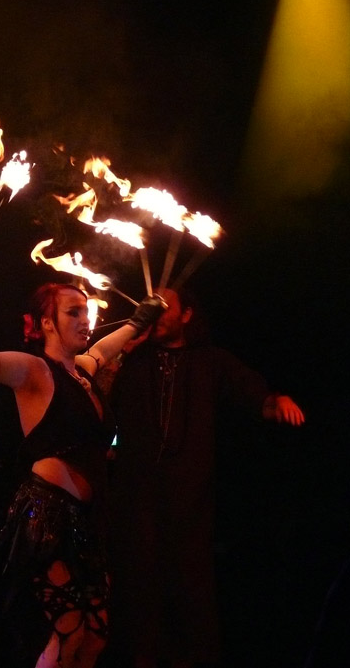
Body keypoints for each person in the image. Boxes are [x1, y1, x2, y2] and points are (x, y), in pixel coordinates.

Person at [0, 261, 167, 668]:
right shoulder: (32, 369)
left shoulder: (82, 371)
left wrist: (140, 319)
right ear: (47, 324)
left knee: (96, 635)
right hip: (45, 519)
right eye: (73, 312)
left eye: (86, 312)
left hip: (85, 522)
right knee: (72, 631)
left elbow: (106, 347)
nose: (85, 320)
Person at [106, 286, 305, 668]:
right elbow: (97, 397)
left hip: (189, 502)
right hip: (138, 498)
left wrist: (274, 401)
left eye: (165, 307)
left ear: (186, 315)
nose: (157, 313)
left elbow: (251, 393)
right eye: (153, 307)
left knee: (189, 594)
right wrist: (125, 351)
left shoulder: (210, 361)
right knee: (140, 593)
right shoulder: (134, 360)